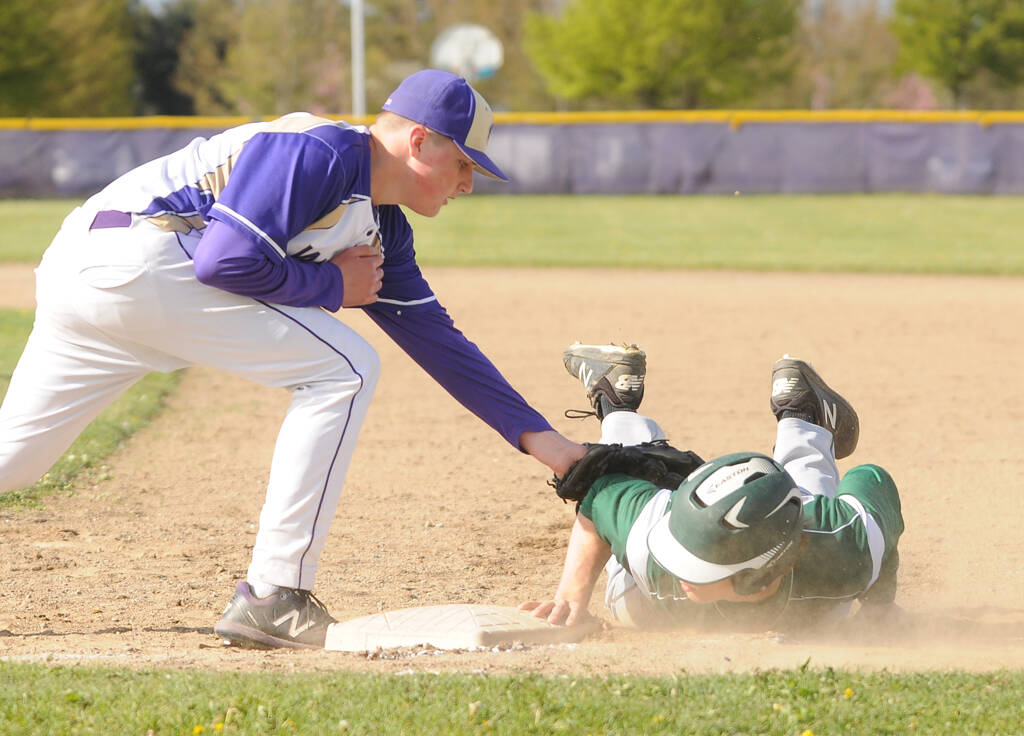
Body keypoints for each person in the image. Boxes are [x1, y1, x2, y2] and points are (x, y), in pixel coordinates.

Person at [0, 69, 586, 650]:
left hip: (94, 273)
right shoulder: (321, 151)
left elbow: (438, 341)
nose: (468, 184)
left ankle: (274, 594)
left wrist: (545, 443)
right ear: (419, 141)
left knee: (15, 462)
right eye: (463, 163)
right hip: (139, 256)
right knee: (344, 370)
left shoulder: (383, 226)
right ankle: (274, 594)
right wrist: (331, 285)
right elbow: (221, 262)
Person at [520, 344, 904, 631]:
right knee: (629, 606)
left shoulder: (842, 546)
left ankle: (802, 415)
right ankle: (617, 403)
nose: (682, 573)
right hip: (671, 514)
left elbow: (874, 483)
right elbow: (601, 492)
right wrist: (571, 598)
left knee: (827, 602)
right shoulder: (659, 555)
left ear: (759, 574)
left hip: (803, 546)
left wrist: (878, 609)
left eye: (698, 565)